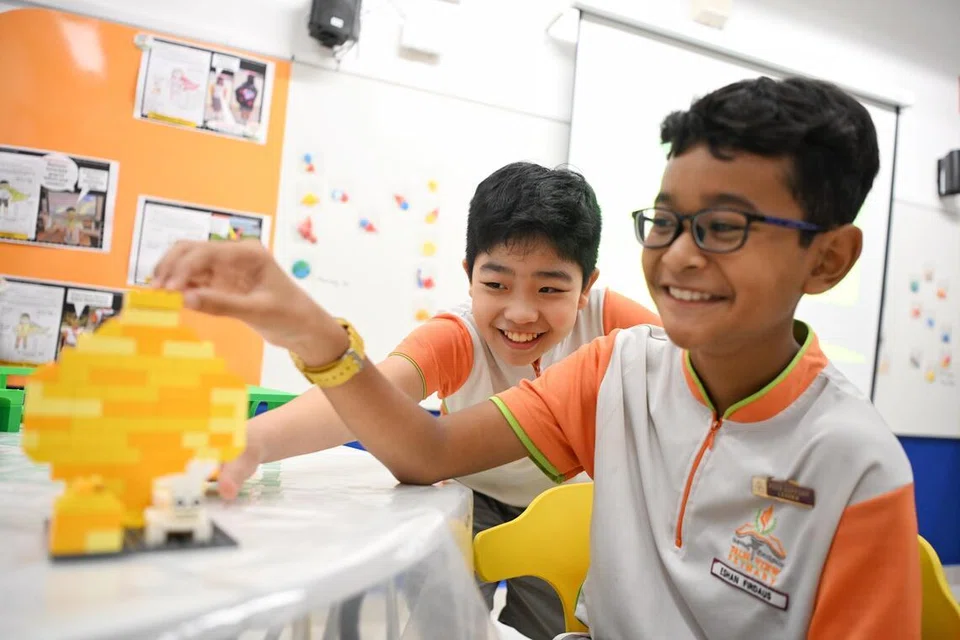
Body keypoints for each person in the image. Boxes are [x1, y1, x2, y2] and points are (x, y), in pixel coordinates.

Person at [152, 76, 921, 639]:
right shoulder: (618, 368)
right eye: (665, 221)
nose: (681, 256)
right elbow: (422, 444)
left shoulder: (852, 463)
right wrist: (309, 334)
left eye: (724, 227)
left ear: (827, 260)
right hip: (483, 503)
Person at [217, 161, 660, 639]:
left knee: (549, 624)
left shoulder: (617, 327)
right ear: (469, 275)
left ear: (586, 287)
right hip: (470, 493)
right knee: (443, 621)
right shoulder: (458, 335)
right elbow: (364, 398)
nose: (520, 312)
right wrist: (251, 441)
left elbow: (691, 370)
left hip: (562, 503)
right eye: (496, 285)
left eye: (549, 289)